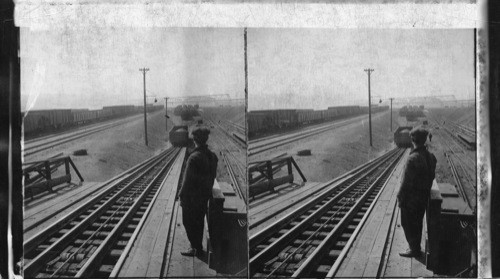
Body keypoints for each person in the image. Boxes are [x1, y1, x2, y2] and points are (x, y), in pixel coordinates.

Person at [178, 126, 218, 257]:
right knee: (199, 221)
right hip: (204, 196)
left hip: (192, 198)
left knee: (188, 222)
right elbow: (212, 177)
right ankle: (198, 247)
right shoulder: (212, 156)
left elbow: (187, 181)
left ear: (195, 140)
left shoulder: (193, 158)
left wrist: (181, 196)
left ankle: (195, 247)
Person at [397, 127, 437, 258]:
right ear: (424, 140)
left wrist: (400, 197)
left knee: (407, 223)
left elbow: (406, 182)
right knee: (418, 222)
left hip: (411, 199)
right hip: (423, 197)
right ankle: (415, 247)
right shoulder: (431, 157)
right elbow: (431, 176)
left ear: (413, 140)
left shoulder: (412, 158)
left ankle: (413, 249)